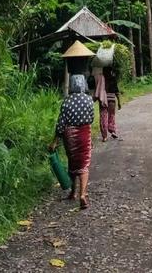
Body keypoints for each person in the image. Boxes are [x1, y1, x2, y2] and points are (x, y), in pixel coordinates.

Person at [49, 74, 94, 210]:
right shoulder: (89, 100)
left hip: (70, 136)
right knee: (84, 164)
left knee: (73, 162)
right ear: (83, 84)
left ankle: (73, 193)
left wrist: (55, 141)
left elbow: (61, 124)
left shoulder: (67, 101)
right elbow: (91, 118)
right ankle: (82, 194)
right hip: (84, 132)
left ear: (72, 85)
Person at [98, 66, 121, 141]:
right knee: (112, 116)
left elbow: (98, 90)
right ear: (111, 71)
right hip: (111, 100)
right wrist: (119, 102)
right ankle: (113, 131)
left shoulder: (101, 79)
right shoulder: (113, 79)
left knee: (103, 117)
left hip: (103, 100)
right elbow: (117, 91)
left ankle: (104, 136)